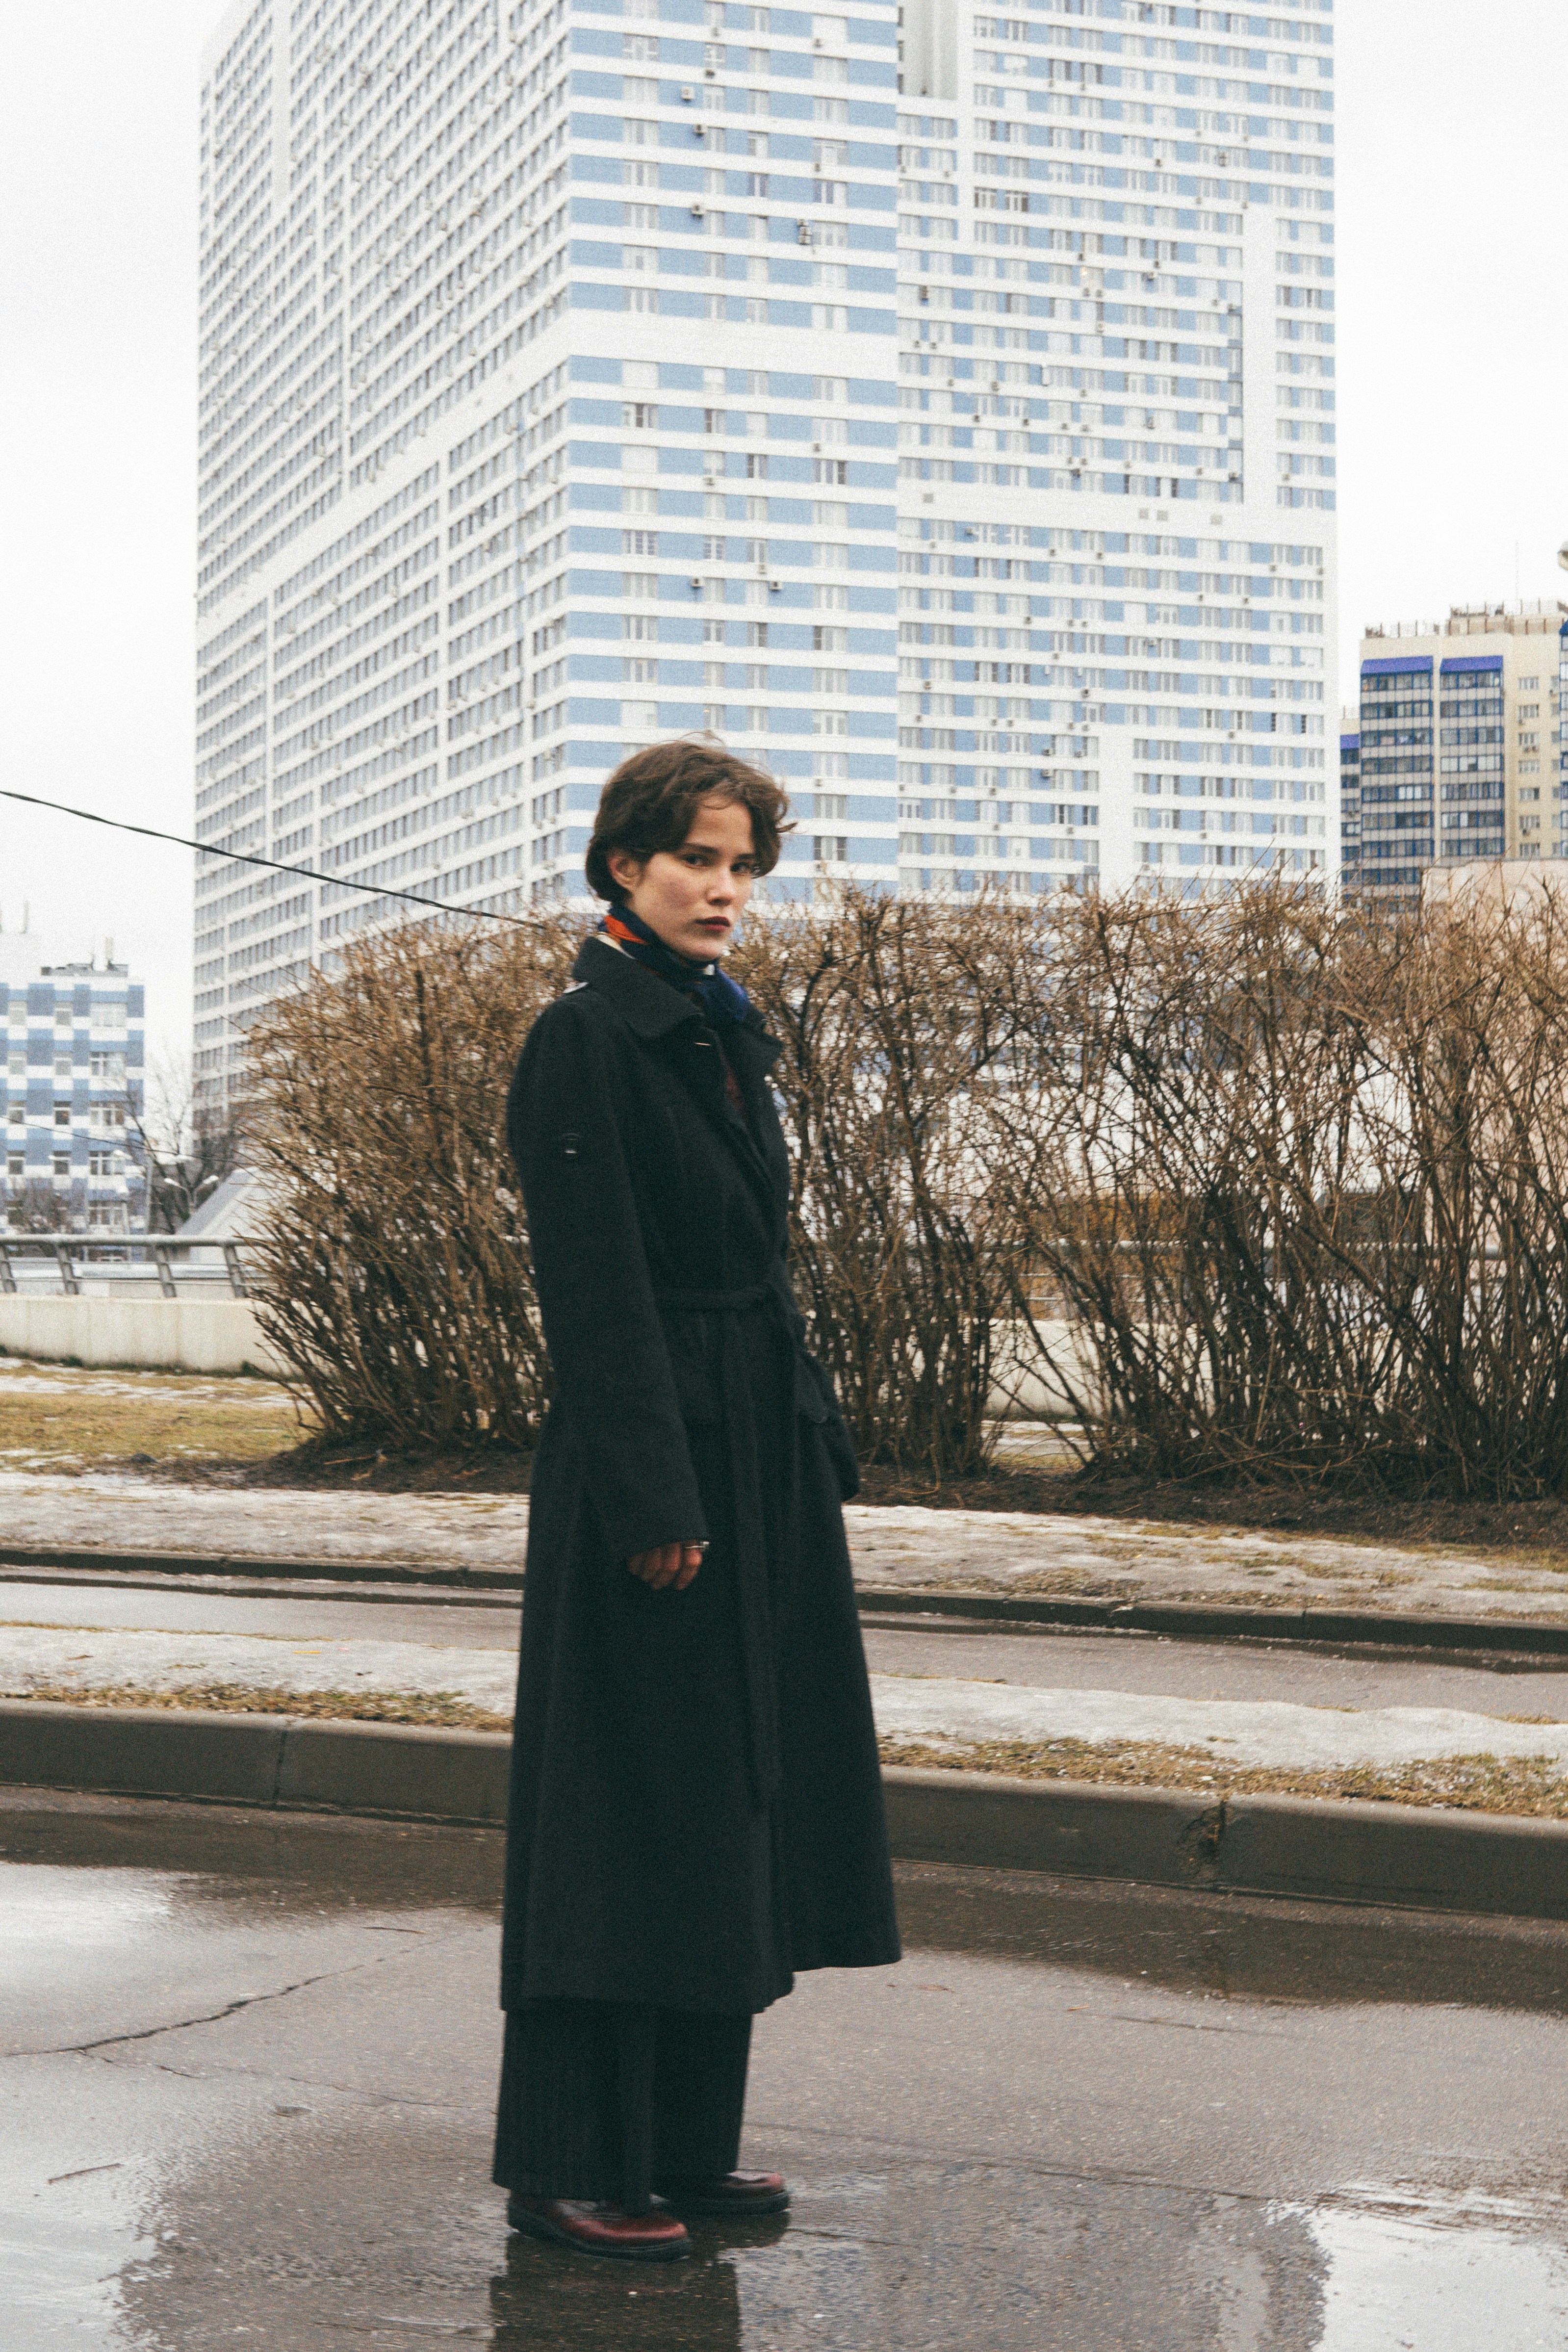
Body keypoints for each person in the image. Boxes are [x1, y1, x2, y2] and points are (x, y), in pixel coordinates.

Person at [492, 740, 900, 2263]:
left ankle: (683, 2144)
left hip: (756, 1452)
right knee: (625, 1810)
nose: (727, 890)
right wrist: (653, 1490)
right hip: (651, 1469)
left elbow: (762, 1271)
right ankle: (570, 2158)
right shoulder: (587, 1038)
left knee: (726, 1804)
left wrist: (811, 1449)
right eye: (700, 862)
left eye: (745, 866)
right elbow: (594, 1293)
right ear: (624, 866)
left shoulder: (717, 1029)